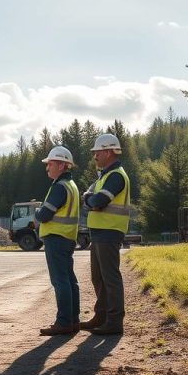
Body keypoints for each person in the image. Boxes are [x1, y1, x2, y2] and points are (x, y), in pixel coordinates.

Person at [80, 133, 131, 335]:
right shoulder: (104, 176)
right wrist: (90, 200)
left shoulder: (116, 175)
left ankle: (115, 321)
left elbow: (97, 201)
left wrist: (91, 200)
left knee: (110, 278)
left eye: (97, 152)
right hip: (100, 232)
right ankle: (101, 316)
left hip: (110, 231)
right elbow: (88, 198)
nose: (94, 156)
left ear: (108, 151)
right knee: (98, 277)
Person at [34, 145, 81, 336]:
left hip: (56, 238)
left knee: (60, 281)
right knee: (69, 280)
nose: (47, 168)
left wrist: (37, 211)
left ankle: (63, 322)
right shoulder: (71, 186)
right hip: (67, 237)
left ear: (62, 165)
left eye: (50, 164)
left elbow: (44, 214)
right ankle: (73, 320)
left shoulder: (59, 187)